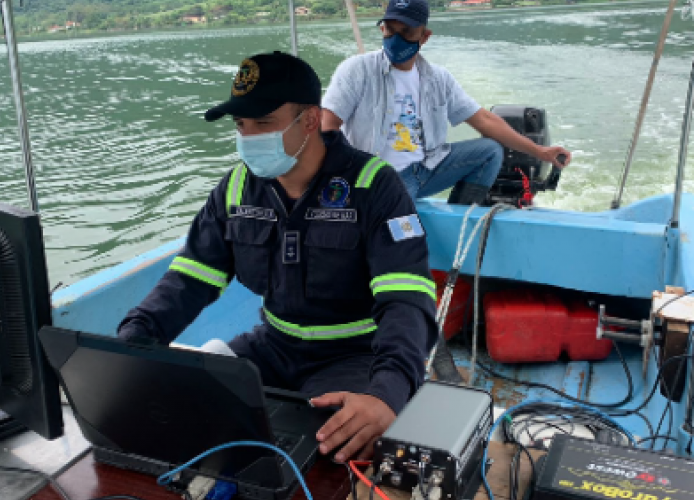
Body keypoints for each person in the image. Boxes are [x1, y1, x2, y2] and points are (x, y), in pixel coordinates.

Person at [118, 51, 438, 462]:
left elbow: (407, 300)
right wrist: (133, 342)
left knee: (325, 449)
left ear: (309, 121)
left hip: (356, 353)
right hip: (272, 346)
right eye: (241, 125)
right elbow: (189, 279)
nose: (249, 137)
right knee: (173, 419)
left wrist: (387, 392)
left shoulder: (374, 186)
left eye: (263, 123)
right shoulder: (235, 189)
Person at [321, 0, 572, 205]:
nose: (396, 39)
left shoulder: (438, 79)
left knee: (489, 151)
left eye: (406, 32)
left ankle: (459, 225)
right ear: (381, 29)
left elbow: (484, 120)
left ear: (424, 36)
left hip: (426, 169)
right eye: (390, 29)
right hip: (379, 176)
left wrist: (540, 152)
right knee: (396, 238)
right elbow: (327, 127)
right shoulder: (357, 70)